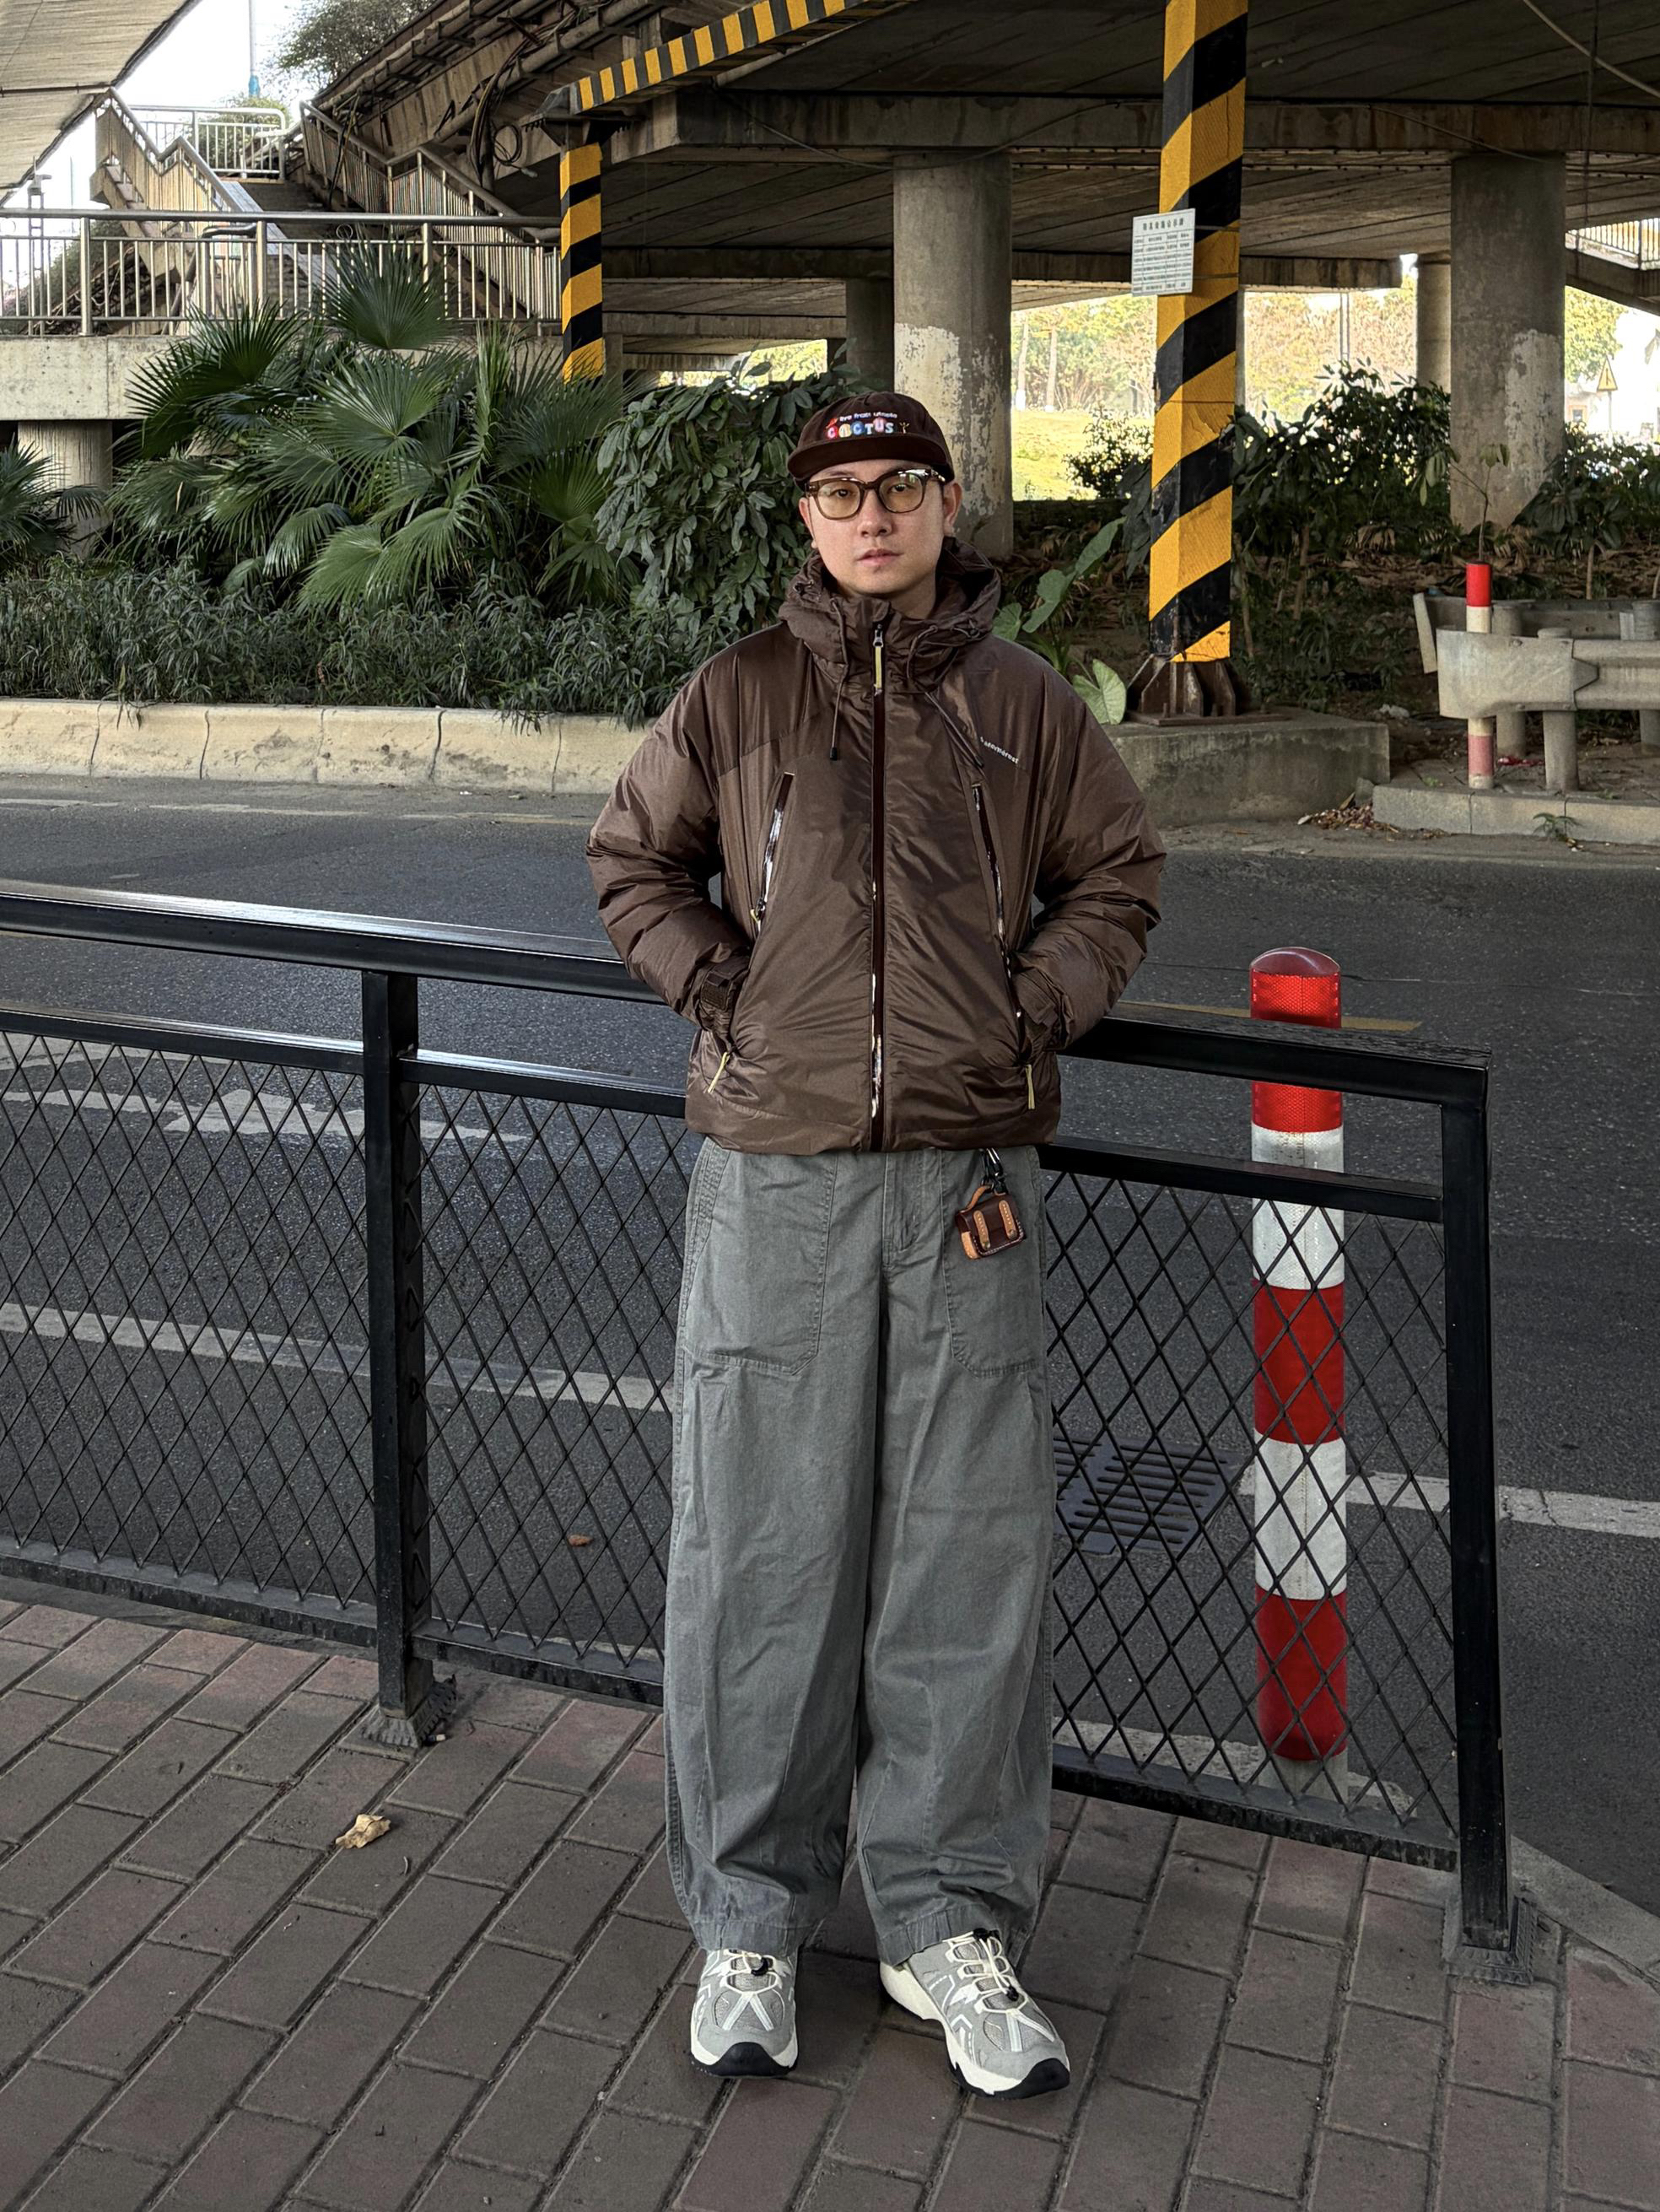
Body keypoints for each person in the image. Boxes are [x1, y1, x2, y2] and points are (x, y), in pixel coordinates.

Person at [586, 390, 1163, 2100]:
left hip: (967, 1180)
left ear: (947, 502)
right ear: (808, 520)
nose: (873, 515)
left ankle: (948, 1921)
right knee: (758, 1547)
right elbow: (633, 860)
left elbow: (1119, 877)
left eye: (901, 485)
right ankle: (749, 1920)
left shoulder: (1026, 705)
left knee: (965, 1554)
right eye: (843, 492)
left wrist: (1022, 1014)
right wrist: (730, 996)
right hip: (776, 1177)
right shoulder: (738, 694)